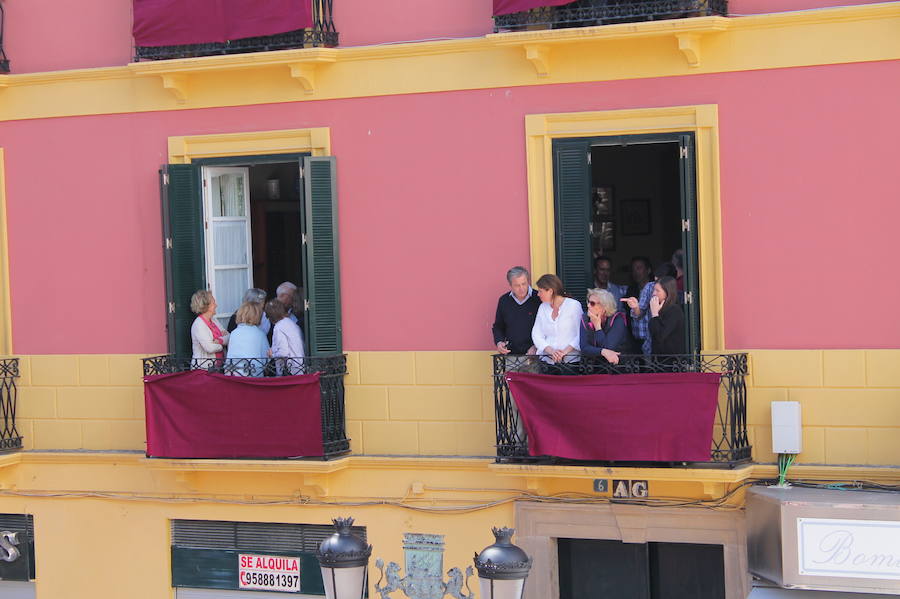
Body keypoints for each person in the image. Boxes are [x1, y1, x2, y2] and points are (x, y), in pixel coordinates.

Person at [531, 274, 583, 364]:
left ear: (550, 291)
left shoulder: (574, 305)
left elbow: (581, 333)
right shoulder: (542, 307)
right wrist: (551, 351)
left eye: (540, 291)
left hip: (570, 361)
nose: (538, 294)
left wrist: (564, 352)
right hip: (547, 361)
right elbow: (536, 334)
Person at [492, 266, 541, 355]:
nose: (521, 288)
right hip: (511, 354)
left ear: (528, 282)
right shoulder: (504, 300)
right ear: (510, 285)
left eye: (524, 284)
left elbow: (546, 328)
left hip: (535, 354)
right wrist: (499, 342)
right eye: (517, 285)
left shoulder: (538, 298)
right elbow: (498, 326)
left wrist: (536, 346)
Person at [580, 288, 628, 364]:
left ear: (604, 306)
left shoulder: (618, 319)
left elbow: (609, 347)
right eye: (588, 302)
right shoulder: (585, 318)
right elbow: (584, 347)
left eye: (592, 303)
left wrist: (597, 326)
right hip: (593, 367)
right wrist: (602, 351)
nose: (588, 306)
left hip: (617, 367)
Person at [225, 301, 270, 376]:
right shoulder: (260, 334)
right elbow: (266, 358)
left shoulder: (234, 333)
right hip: (253, 375)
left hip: (233, 374)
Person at [621, 256, 655, 355]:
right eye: (633, 269)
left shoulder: (655, 290)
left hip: (652, 341)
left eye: (639, 268)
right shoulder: (629, 291)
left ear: (648, 270)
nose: (636, 272)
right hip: (634, 341)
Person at [266, 299, 305, 375]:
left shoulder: (279, 327)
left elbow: (283, 353)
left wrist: (272, 355)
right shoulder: (291, 323)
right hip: (299, 367)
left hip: (290, 370)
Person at [649, 275, 685, 355]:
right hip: (658, 362)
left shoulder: (674, 311)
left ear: (667, 292)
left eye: (657, 291)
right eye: (653, 290)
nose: (654, 293)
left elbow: (660, 335)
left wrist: (655, 315)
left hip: (671, 363)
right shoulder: (659, 309)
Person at [189, 290, 229, 362]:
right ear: (206, 306)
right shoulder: (199, 324)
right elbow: (210, 348)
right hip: (204, 368)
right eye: (213, 303)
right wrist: (222, 344)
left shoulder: (214, 320)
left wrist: (219, 340)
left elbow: (229, 337)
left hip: (220, 366)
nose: (216, 305)